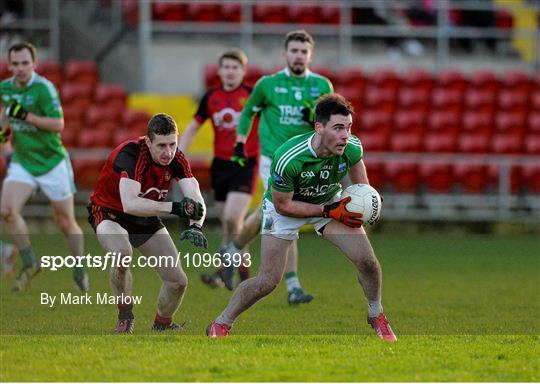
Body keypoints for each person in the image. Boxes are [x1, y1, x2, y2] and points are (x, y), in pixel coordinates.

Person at [207, 94, 397, 341]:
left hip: (328, 201)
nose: (345, 135)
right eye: (338, 128)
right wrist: (329, 211)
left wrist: (368, 203)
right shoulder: (289, 158)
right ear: (319, 127)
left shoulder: (351, 147)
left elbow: (362, 183)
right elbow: (283, 205)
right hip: (284, 209)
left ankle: (376, 315)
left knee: (368, 263)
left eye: (348, 127)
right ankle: (221, 322)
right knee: (267, 281)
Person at [226, 29, 334, 305]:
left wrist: (311, 116)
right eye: (294, 50)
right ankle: (293, 286)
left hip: (306, 160)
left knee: (268, 213)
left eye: (303, 51)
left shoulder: (322, 86)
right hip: (274, 160)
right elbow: (248, 111)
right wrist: (240, 141)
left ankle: (231, 250)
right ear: (284, 53)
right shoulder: (267, 85)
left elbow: (328, 124)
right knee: (288, 213)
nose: (299, 56)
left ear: (310, 55)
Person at [88, 113, 208, 333]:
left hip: (145, 217)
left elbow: (195, 197)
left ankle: (161, 326)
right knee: (121, 253)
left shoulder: (177, 159)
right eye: (161, 145)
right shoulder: (131, 154)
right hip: (109, 213)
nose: (168, 152)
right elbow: (130, 204)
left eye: (173, 144)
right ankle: (125, 314)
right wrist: (174, 207)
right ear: (148, 141)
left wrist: (195, 224)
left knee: (178, 282)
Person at [0, 42, 88, 292]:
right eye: (15, 63)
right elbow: (4, 122)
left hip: (52, 163)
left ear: (34, 64)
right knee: (7, 210)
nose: (20, 68)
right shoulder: (5, 88)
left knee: (65, 221)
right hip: (23, 162)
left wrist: (25, 116)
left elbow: (58, 124)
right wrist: (6, 150)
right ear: (9, 65)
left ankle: (79, 267)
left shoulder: (44, 88)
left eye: (24, 63)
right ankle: (29, 261)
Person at [178, 48, 259, 290]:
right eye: (226, 67)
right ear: (220, 70)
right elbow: (194, 126)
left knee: (234, 219)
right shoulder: (211, 97)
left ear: (243, 71)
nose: (230, 71)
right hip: (220, 166)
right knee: (230, 226)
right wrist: (178, 154)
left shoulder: (253, 96)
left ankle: (223, 271)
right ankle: (244, 274)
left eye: (235, 67)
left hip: (245, 164)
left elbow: (269, 123)